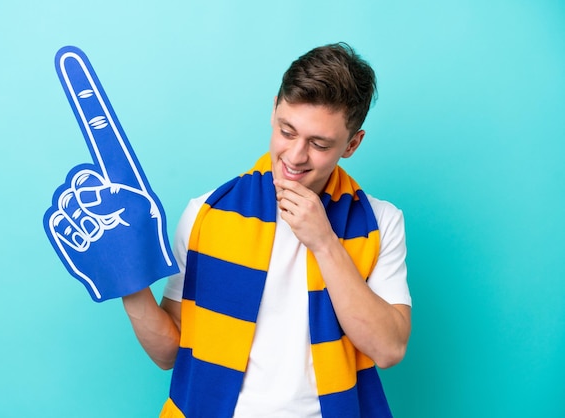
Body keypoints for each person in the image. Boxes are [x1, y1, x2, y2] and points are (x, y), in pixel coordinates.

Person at [122, 42, 412, 417]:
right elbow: (168, 354)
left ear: (352, 144)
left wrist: (324, 242)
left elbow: (389, 349)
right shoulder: (206, 213)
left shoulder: (380, 221)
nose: (294, 156)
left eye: (319, 144)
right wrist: (126, 279)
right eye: (286, 131)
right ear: (274, 108)